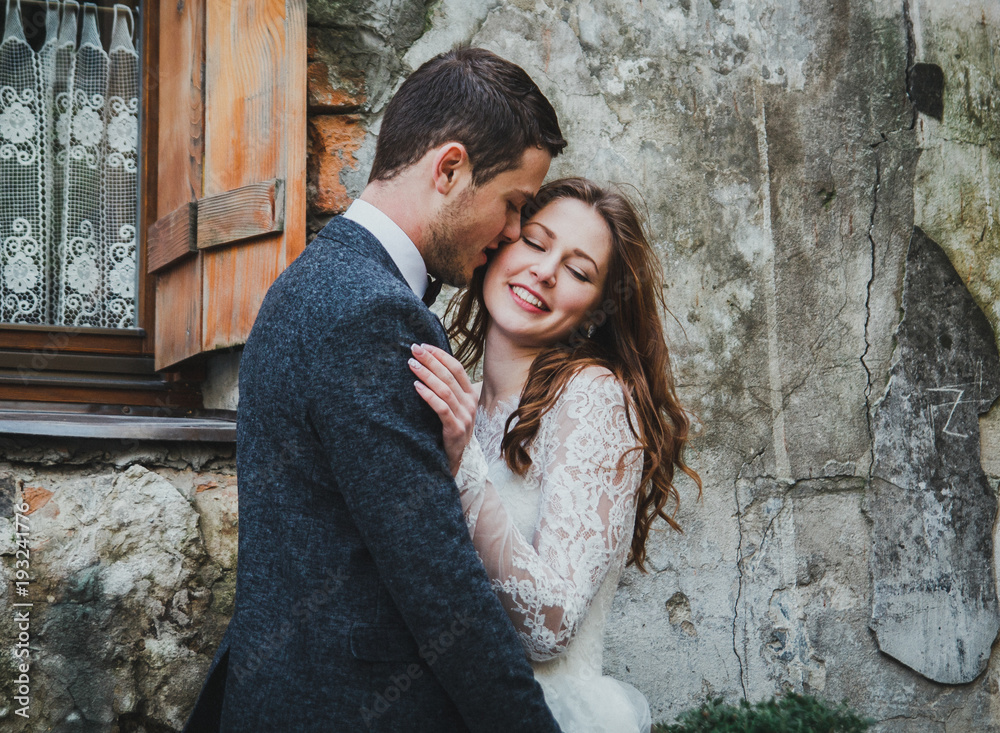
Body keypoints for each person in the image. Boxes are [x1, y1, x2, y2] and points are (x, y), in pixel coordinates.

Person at [182, 48, 568, 732]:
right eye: (512, 204)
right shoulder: (373, 312)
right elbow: (438, 583)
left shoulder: (314, 279)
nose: (513, 233)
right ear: (449, 168)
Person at [408, 178, 701, 733]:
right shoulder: (468, 399)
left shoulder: (593, 399)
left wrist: (461, 464)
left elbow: (552, 625)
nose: (545, 271)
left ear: (594, 312)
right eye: (537, 243)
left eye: (579, 271)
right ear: (499, 246)